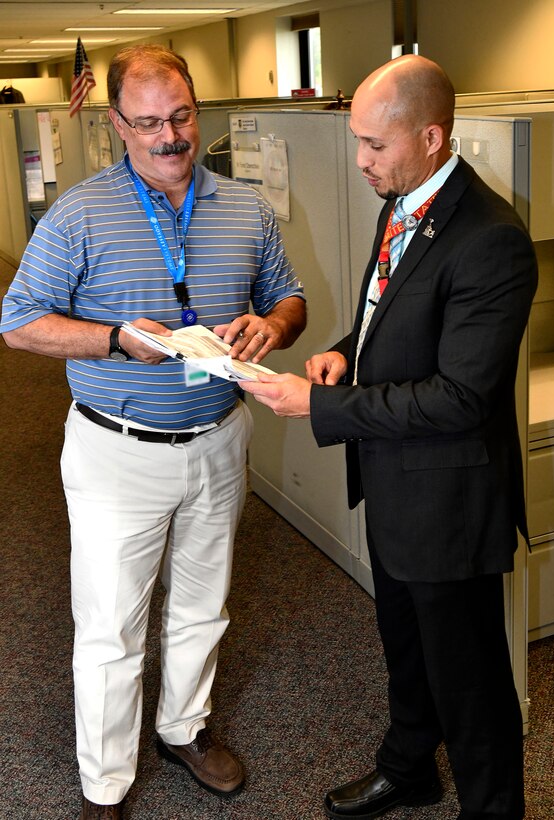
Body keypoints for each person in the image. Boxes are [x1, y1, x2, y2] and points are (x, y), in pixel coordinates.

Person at [0, 44, 305, 820]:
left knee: (205, 603)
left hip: (218, 438)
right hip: (116, 450)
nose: (169, 137)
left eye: (180, 116)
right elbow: (19, 325)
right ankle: (104, 784)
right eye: (147, 123)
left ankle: (183, 729)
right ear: (116, 125)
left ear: (197, 109)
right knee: (111, 624)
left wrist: (269, 325)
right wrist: (111, 339)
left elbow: (290, 297)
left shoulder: (243, 207)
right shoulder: (78, 213)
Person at [241, 54, 537, 820]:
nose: (361, 160)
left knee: (470, 686)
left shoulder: (491, 239)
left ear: (432, 135)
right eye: (358, 143)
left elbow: (460, 399)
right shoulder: (402, 202)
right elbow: (392, 317)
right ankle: (409, 767)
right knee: (406, 652)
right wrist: (347, 348)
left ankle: (493, 808)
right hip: (396, 488)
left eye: (376, 144)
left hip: (449, 502)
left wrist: (320, 405)